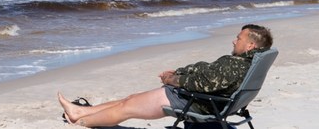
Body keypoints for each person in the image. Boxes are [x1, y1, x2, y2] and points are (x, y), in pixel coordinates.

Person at [57, 23, 273, 127]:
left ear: (250, 45)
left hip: (194, 102)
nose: (234, 40)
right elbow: (207, 74)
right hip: (202, 99)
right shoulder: (245, 62)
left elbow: (204, 84)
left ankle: (82, 122)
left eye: (239, 38)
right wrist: (182, 73)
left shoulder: (234, 66)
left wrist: (173, 79)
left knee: (127, 108)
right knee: (130, 99)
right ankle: (79, 111)